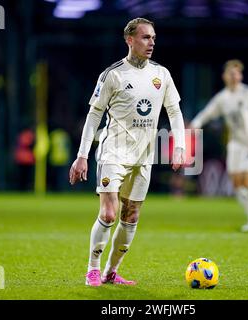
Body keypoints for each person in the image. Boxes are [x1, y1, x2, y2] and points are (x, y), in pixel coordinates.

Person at [69, 18, 186, 286]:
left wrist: (179, 146)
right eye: (145, 37)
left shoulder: (162, 75)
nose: (152, 42)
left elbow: (175, 112)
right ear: (129, 40)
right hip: (113, 153)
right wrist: (82, 155)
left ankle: (111, 271)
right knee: (109, 214)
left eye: (154, 38)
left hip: (143, 157)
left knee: (130, 215)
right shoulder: (113, 75)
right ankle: (93, 269)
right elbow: (94, 114)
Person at [190, 59, 248, 232]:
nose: (235, 76)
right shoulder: (223, 98)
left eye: (238, 72)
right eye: (231, 72)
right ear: (224, 76)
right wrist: (193, 125)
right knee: (237, 183)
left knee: (247, 180)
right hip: (235, 144)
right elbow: (207, 113)